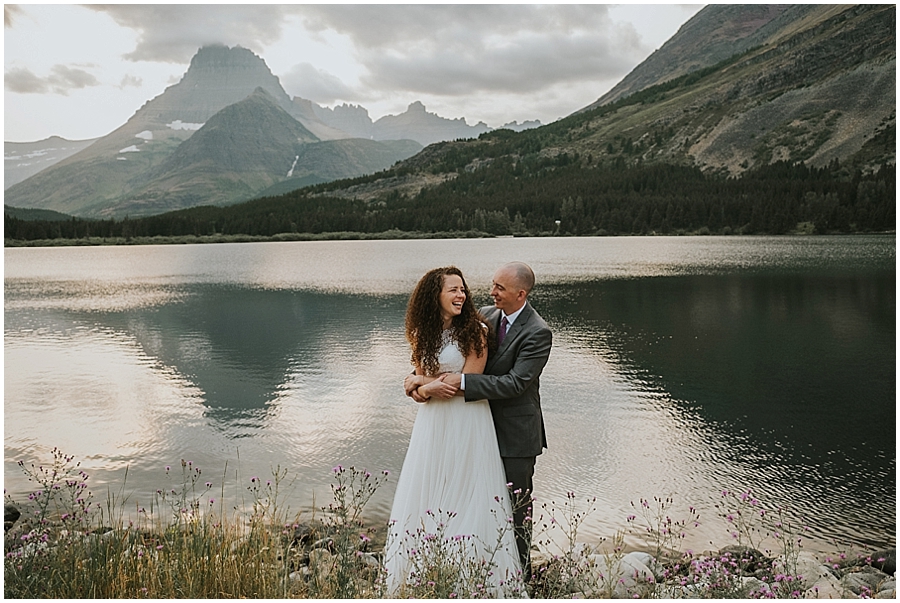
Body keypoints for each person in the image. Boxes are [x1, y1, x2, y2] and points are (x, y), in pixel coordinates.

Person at [385, 266, 525, 597]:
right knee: (430, 489)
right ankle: (426, 574)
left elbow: (466, 381)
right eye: (453, 290)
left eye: (463, 289)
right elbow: (422, 387)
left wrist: (422, 382)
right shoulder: (422, 333)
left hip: (468, 419)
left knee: (468, 491)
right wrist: (419, 385)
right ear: (435, 295)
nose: (461, 295)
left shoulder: (475, 331)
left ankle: (474, 579)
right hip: (432, 423)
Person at [408, 261, 552, 579]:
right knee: (471, 495)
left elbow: (515, 383)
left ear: (520, 293)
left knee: (515, 507)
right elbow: (440, 346)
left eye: (499, 288)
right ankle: (468, 565)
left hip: (515, 431)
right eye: (492, 285)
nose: (491, 292)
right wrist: (417, 381)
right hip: (473, 424)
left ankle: (520, 575)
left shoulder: (538, 332)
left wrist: (456, 382)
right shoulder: (485, 315)